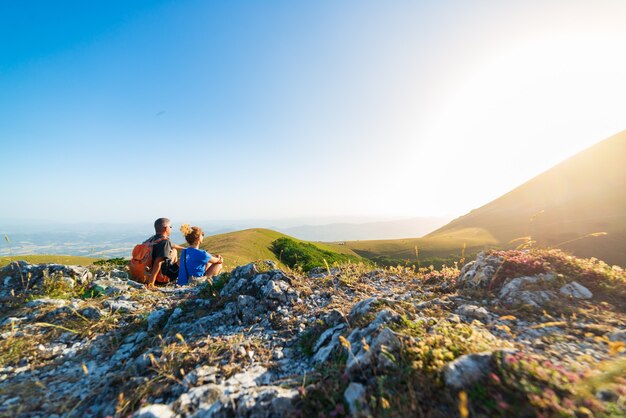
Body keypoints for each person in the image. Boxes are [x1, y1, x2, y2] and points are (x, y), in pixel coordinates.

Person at [145, 217, 185, 290]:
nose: (171, 228)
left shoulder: (152, 240)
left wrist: (185, 249)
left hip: (147, 274)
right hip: (163, 277)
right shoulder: (165, 242)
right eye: (170, 227)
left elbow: (173, 245)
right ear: (166, 228)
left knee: (174, 250)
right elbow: (158, 262)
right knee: (186, 258)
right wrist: (151, 283)